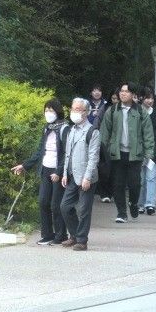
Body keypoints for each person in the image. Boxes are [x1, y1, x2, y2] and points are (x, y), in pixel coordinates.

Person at [11, 99, 69, 245]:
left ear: (58, 111)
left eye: (51, 110)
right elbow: (39, 151)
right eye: (46, 110)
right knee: (43, 202)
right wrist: (24, 165)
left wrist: (59, 171)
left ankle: (61, 235)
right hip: (45, 169)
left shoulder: (64, 129)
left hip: (58, 171)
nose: (48, 113)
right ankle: (47, 234)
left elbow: (67, 154)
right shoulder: (46, 128)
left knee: (56, 205)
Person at [100, 83, 151, 222]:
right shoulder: (112, 111)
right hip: (117, 153)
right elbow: (104, 133)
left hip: (135, 154)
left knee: (135, 184)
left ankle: (133, 203)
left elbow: (148, 134)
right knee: (118, 184)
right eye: (121, 91)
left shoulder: (141, 111)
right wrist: (102, 153)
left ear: (133, 94)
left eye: (127, 91)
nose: (123, 94)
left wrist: (149, 154)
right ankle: (121, 213)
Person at [60, 97, 101, 251]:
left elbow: (93, 157)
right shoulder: (71, 130)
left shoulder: (92, 131)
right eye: (72, 109)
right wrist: (64, 173)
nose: (73, 112)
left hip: (86, 177)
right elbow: (67, 154)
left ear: (85, 112)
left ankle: (82, 240)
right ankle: (74, 234)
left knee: (83, 209)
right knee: (65, 207)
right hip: (72, 175)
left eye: (77, 109)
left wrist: (87, 177)